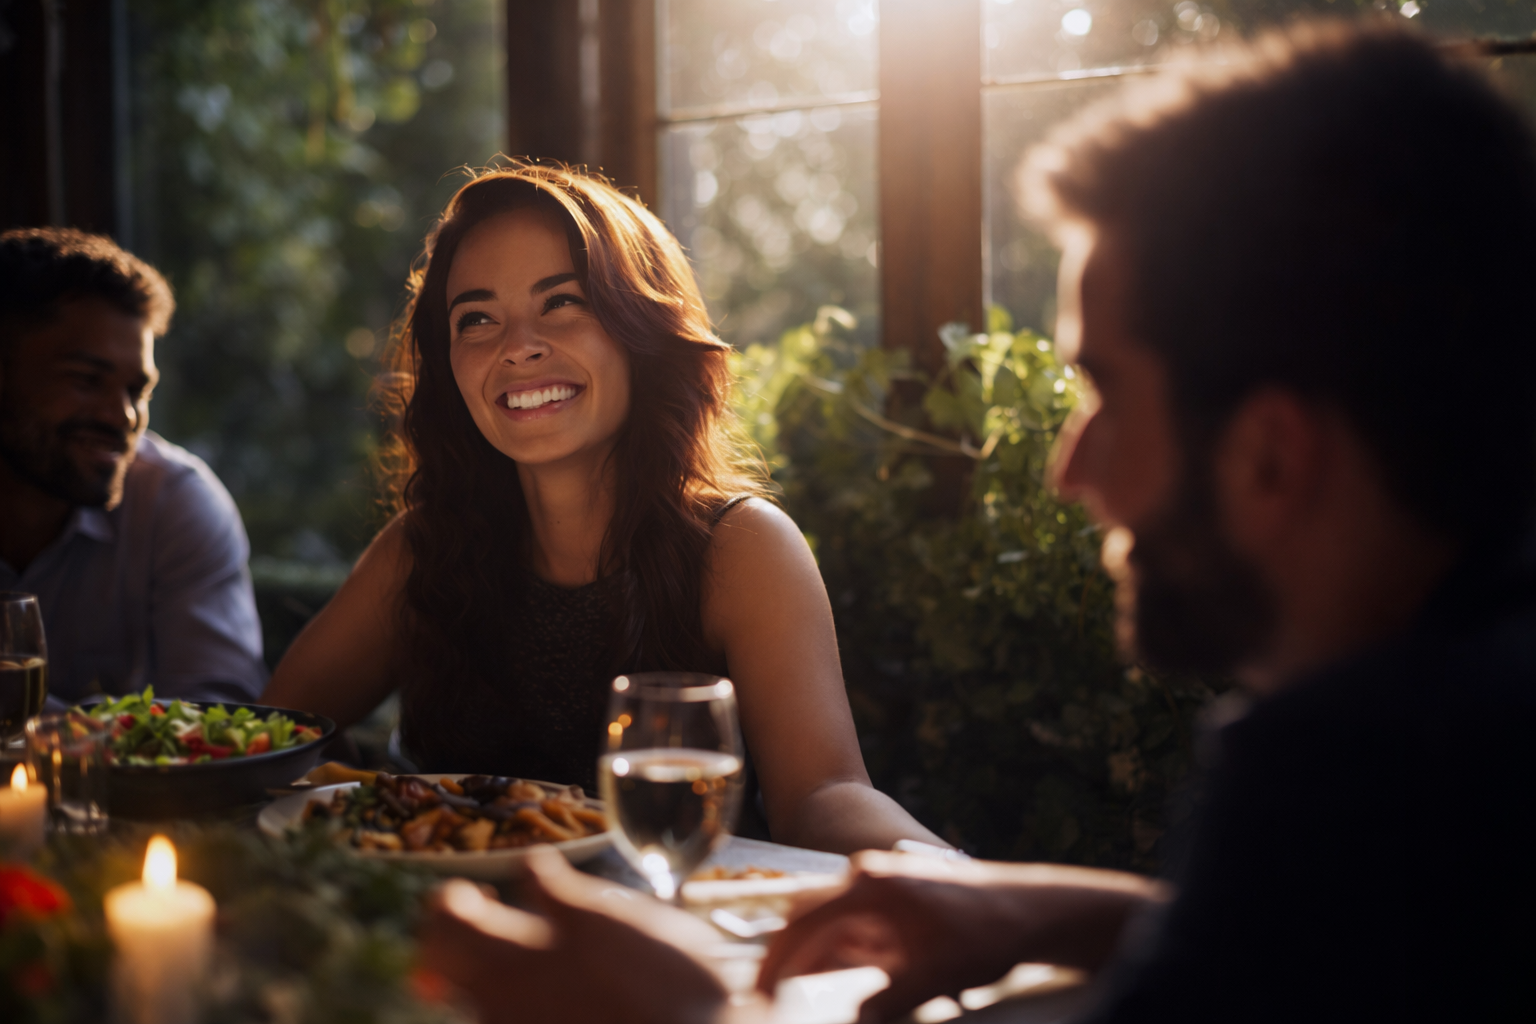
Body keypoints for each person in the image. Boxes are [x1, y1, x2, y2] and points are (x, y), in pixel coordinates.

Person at [416, 21, 1534, 1023]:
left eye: (1101, 394)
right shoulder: (1437, 710)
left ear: (1272, 455)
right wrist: (1033, 907)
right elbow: (1284, 958)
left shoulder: (1374, 763)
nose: (1068, 467)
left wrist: (701, 1014)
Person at [262, 164, 944, 854]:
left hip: (673, 937)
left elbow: (825, 797)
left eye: (562, 302)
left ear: (640, 329)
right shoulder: (424, 547)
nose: (517, 346)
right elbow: (273, 742)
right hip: (451, 936)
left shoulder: (740, 547)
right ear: (450, 367)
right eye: (477, 319)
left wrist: (962, 882)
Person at [0, 227, 266, 704]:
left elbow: (220, 720)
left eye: (137, 392)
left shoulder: (174, 503)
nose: (122, 416)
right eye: (87, 380)